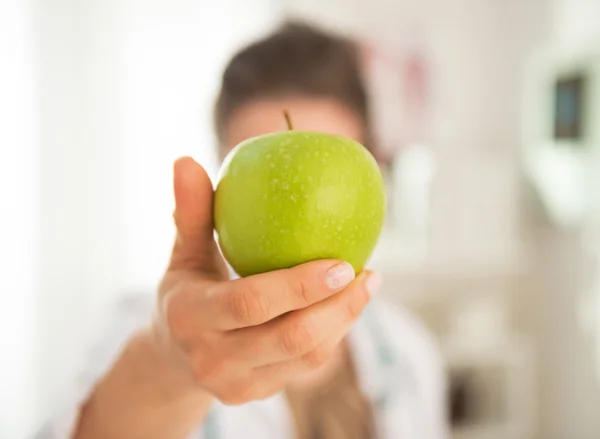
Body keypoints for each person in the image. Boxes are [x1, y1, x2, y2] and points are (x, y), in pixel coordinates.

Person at [36, 22, 448, 439]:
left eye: (323, 184)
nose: (299, 202)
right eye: (269, 182)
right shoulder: (141, 332)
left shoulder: (410, 353)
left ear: (374, 165)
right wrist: (168, 365)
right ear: (221, 180)